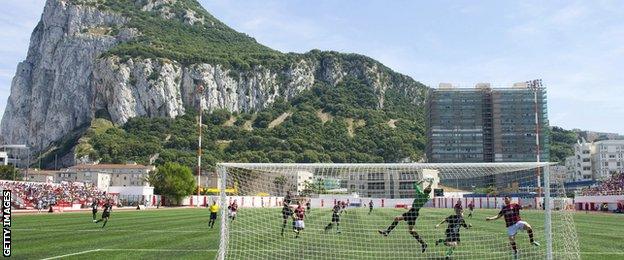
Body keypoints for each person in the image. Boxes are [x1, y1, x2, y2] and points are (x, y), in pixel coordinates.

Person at [378, 179, 433, 253]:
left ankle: (387, 232)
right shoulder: (427, 197)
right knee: (411, 230)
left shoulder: (420, 193)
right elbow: (428, 190)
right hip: (415, 212)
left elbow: (415, 185)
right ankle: (423, 244)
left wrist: (422, 181)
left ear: (424, 190)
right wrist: (430, 183)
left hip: (412, 212)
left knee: (397, 219)